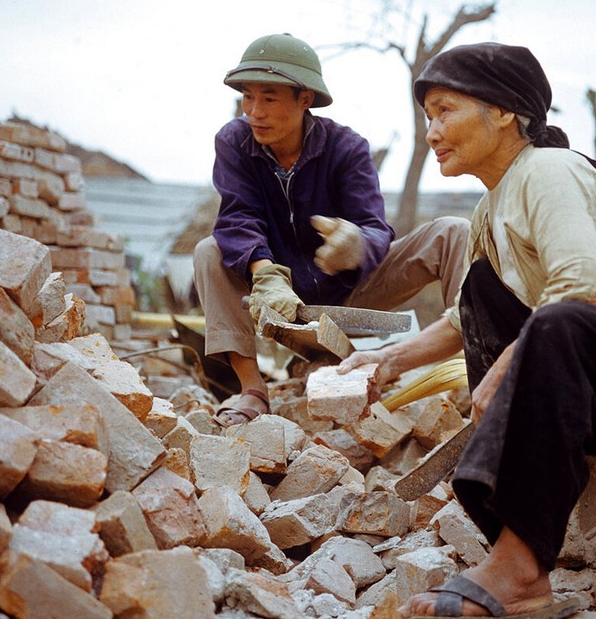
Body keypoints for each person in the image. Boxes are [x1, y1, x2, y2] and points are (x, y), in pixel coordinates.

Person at [337, 42, 596, 619]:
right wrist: (384, 361)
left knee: (555, 320)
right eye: (428, 117)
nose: (432, 131)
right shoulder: (489, 211)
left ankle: (521, 568)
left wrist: (508, 370)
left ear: (502, 112)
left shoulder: (548, 170)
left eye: (445, 110)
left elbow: (583, 291)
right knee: (480, 291)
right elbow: (462, 321)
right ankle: (518, 529)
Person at [193, 33, 469, 427]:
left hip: (353, 295)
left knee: (453, 230)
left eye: (268, 98)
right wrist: (265, 273)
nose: (254, 111)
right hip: (281, 300)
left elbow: (376, 228)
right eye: (247, 97)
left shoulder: (346, 146)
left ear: (305, 99)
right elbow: (238, 216)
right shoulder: (233, 141)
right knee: (208, 250)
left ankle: (475, 362)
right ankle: (253, 390)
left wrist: (356, 245)